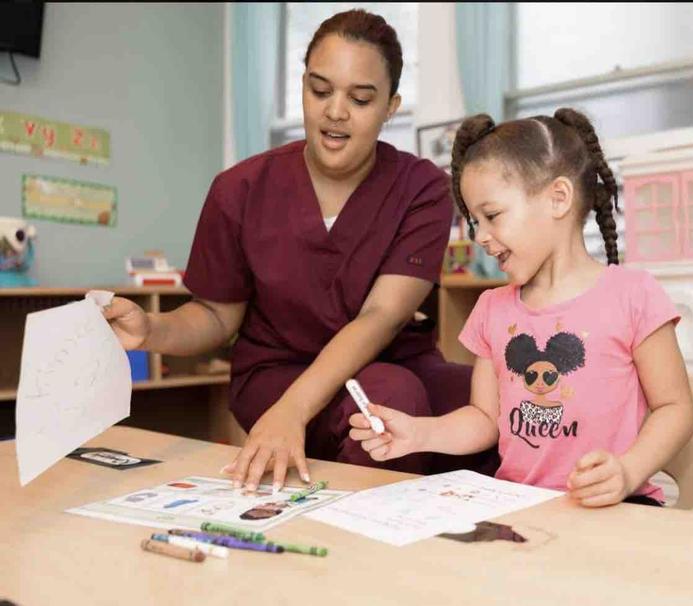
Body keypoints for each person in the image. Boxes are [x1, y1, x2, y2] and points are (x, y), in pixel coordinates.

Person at [103, 9, 497, 494]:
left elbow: (381, 316)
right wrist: (151, 330)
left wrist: (295, 410)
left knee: (496, 402)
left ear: (391, 106)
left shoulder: (421, 188)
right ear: (303, 87)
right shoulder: (239, 189)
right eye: (320, 89)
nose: (335, 111)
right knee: (386, 402)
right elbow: (216, 317)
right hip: (280, 373)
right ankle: (368, 552)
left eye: (360, 98)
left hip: (397, 359)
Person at [349, 109, 693, 507]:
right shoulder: (491, 309)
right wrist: (417, 433)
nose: (480, 236)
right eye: (473, 221)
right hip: (520, 505)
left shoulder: (634, 294)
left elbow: (675, 408)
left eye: (491, 215)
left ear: (558, 198)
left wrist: (629, 469)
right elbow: (484, 419)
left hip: (618, 505)